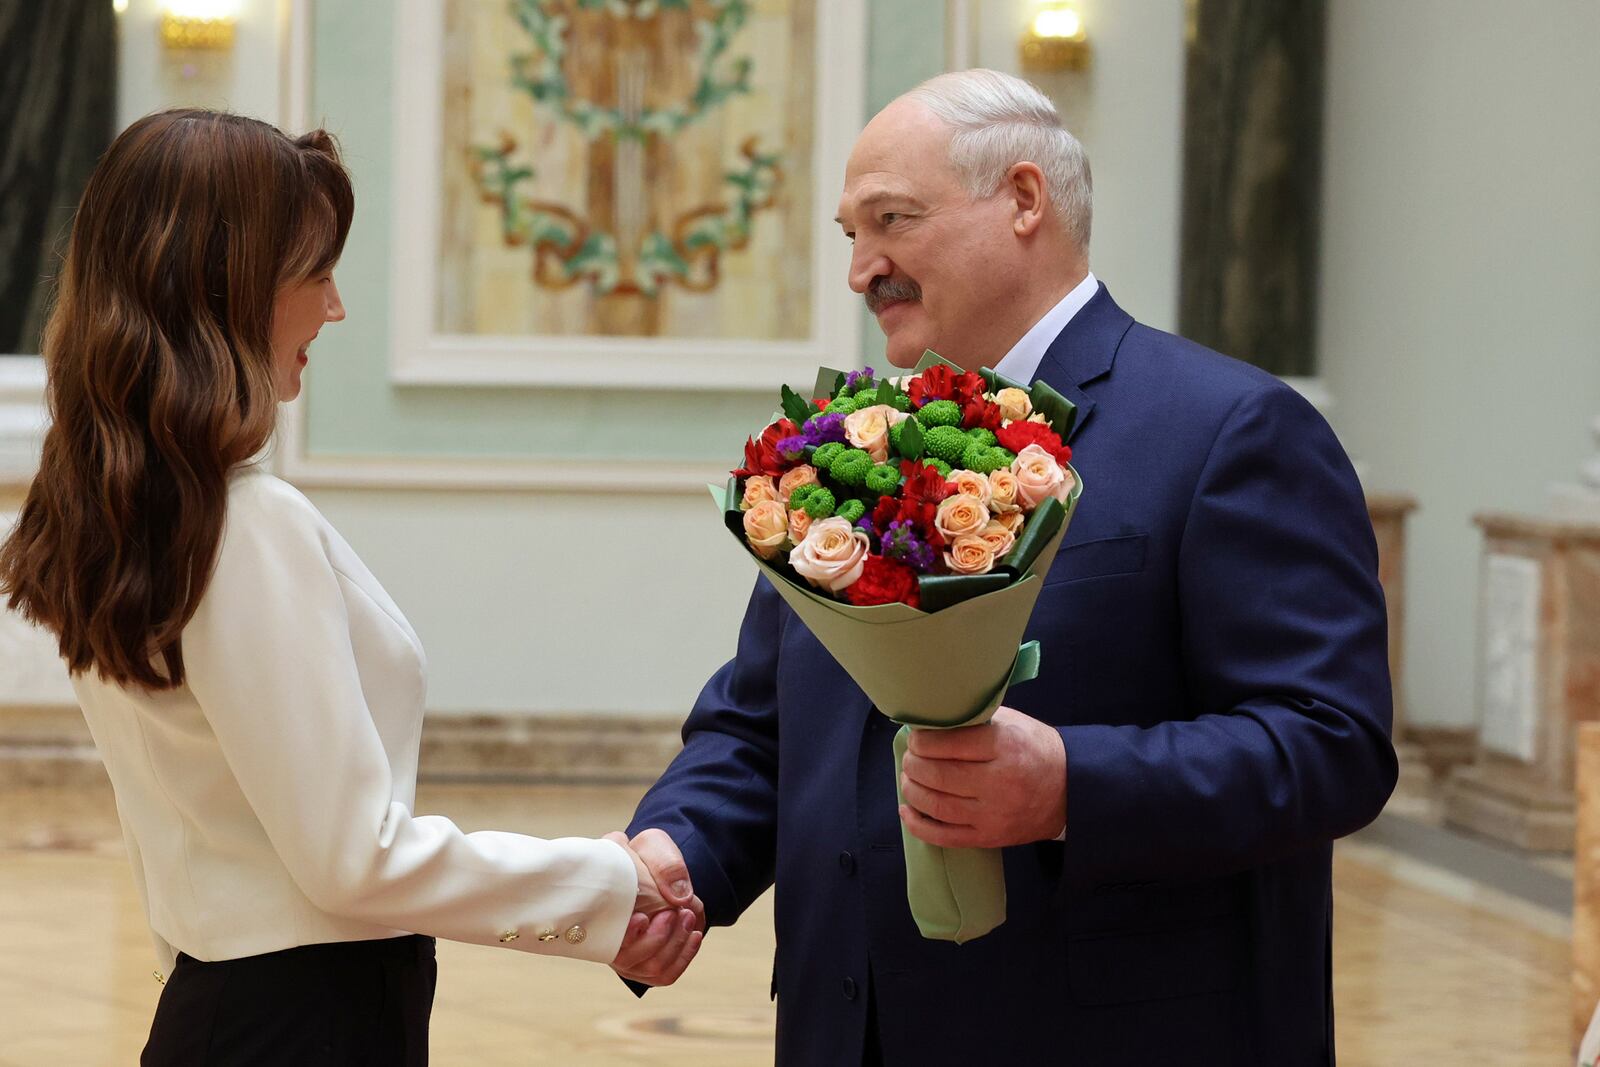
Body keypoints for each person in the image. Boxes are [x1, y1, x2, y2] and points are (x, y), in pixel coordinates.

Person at [618, 69, 1397, 1065]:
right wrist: (671, 854)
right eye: (848, 235)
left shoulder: (1229, 430)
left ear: (1023, 200)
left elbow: (1332, 744)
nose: (862, 269)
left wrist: (1073, 784)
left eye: (890, 220)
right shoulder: (848, 452)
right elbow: (762, 728)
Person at [0, 109, 702, 1066]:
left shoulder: (129, 509)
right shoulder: (246, 523)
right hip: (306, 1020)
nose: (333, 309)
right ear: (225, 287)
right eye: (315, 272)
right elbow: (354, 858)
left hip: (229, 1002)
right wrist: (605, 886)